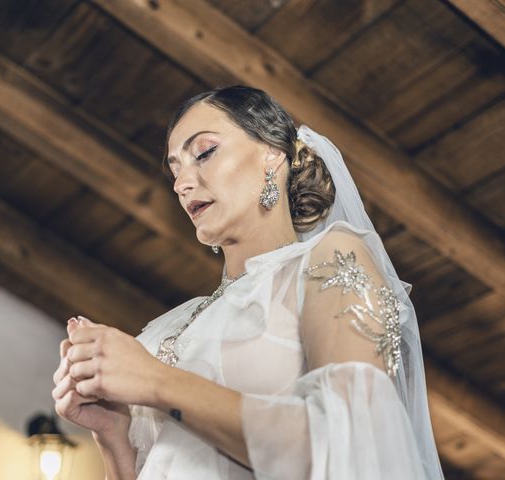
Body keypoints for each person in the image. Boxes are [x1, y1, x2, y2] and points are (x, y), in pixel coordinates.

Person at [51, 85, 445, 479]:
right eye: (175, 170)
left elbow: (354, 442)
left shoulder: (327, 259)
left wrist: (155, 381)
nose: (181, 184)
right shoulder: (172, 323)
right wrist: (113, 436)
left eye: (203, 153)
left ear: (272, 154)